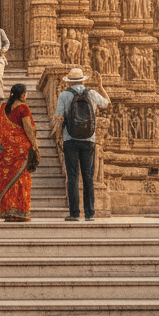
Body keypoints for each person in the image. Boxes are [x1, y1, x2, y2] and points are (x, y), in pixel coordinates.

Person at [55, 67, 110, 221]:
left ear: (69, 81)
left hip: (70, 139)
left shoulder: (64, 95)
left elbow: (59, 117)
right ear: (82, 80)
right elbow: (107, 103)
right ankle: (89, 213)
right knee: (88, 177)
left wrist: (59, 137)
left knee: (72, 177)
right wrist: (100, 86)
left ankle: (74, 213)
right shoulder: (92, 93)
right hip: (89, 139)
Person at [0, 82, 39, 222]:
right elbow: (27, 128)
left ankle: (9, 211)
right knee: (22, 181)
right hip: (21, 151)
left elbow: (2, 132)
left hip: (6, 153)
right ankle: (21, 211)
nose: (25, 96)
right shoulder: (23, 108)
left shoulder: (4, 108)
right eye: (25, 93)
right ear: (21, 94)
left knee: (9, 180)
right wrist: (35, 145)